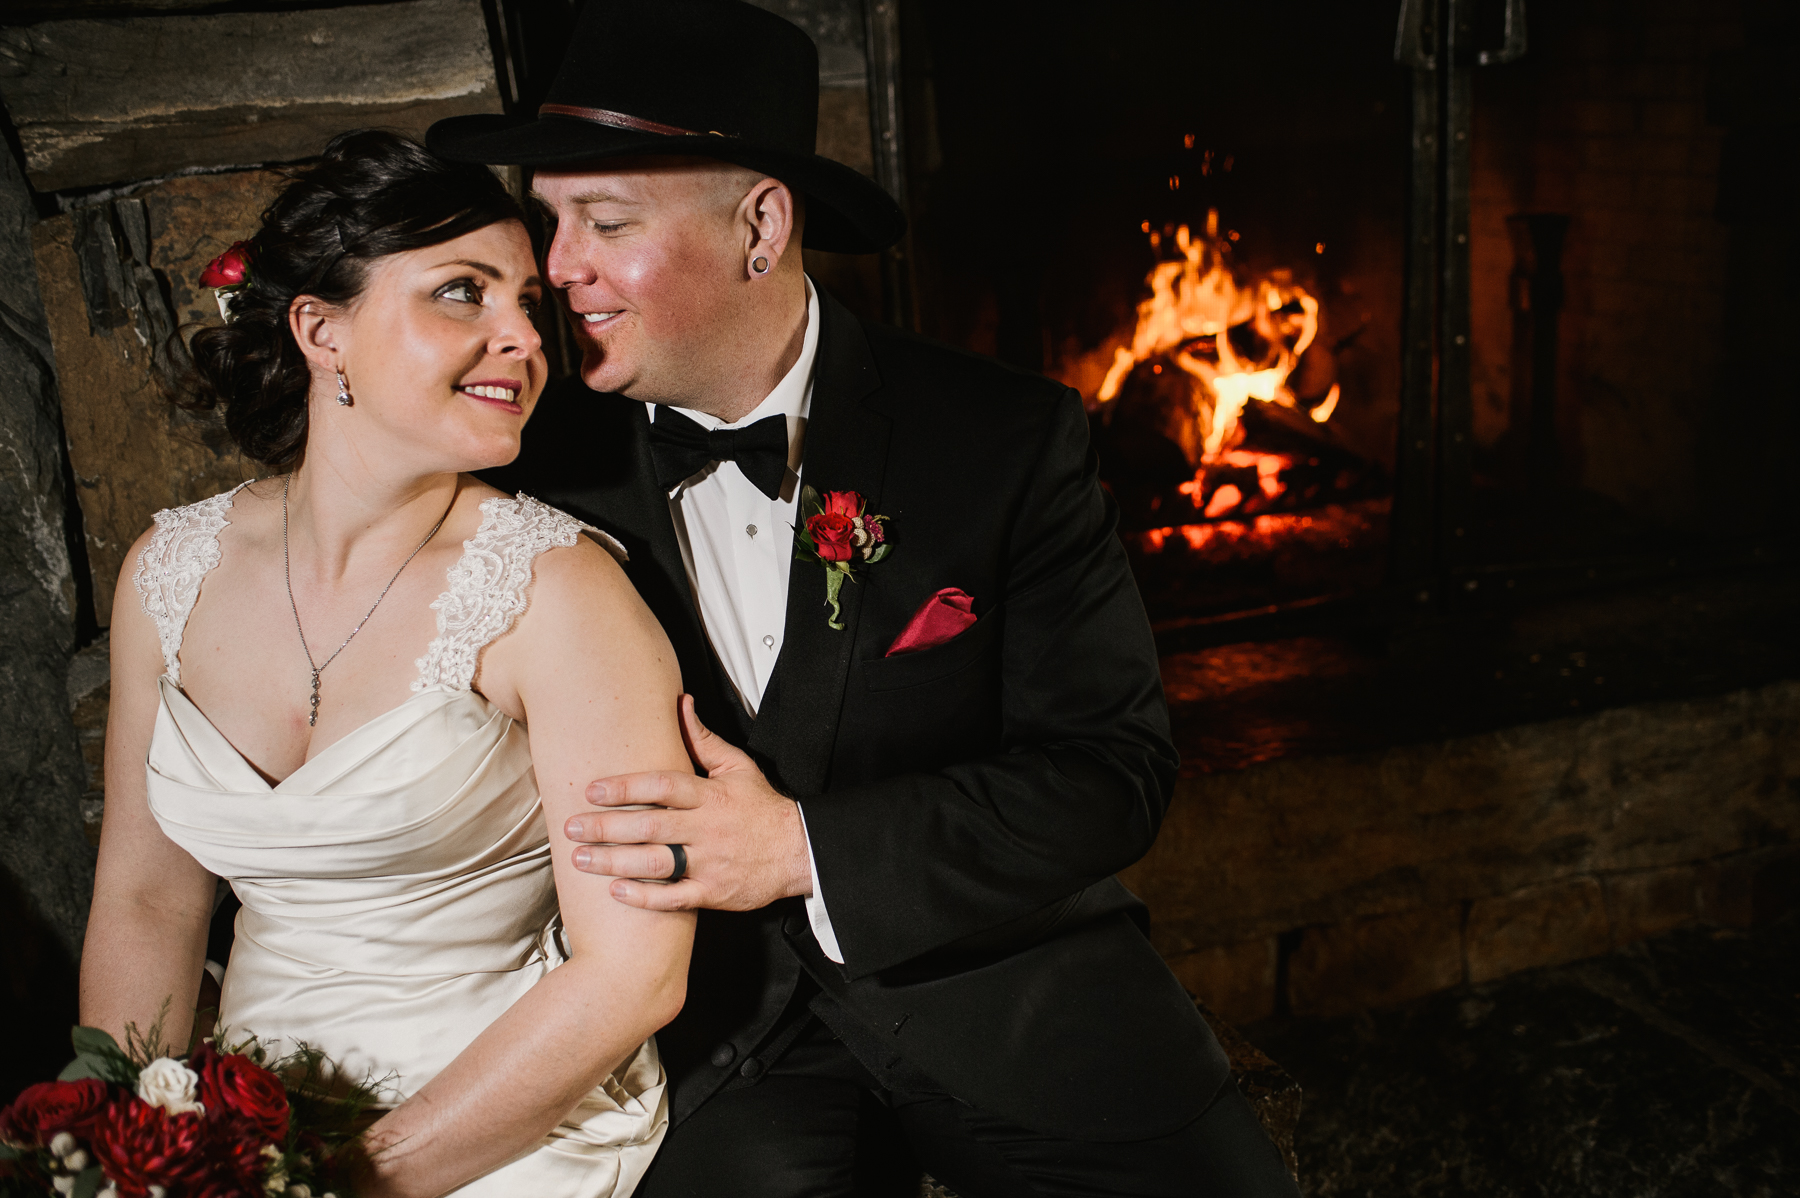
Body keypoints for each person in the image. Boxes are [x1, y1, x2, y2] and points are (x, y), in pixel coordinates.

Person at [432, 2, 1303, 1194]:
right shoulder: (522, 457)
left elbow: (1112, 773)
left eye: (607, 221)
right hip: (712, 1043)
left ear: (761, 227)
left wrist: (802, 849)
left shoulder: (1002, 440)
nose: (557, 265)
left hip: (1007, 995)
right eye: (547, 220)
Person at [85, 130, 694, 1198]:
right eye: (463, 292)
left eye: (529, 307)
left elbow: (632, 975)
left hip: (499, 1117)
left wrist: (347, 1179)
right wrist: (128, 1152)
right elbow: (148, 904)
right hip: (245, 1118)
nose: (522, 337)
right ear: (322, 331)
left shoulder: (559, 591)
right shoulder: (165, 571)